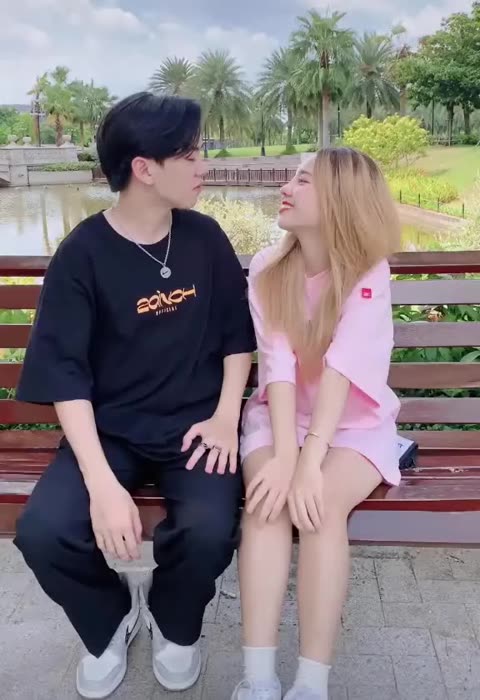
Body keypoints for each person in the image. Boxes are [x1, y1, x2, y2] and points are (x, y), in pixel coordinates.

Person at [14, 92, 256, 699]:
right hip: (110, 432)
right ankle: (112, 619)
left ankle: (174, 622)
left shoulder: (204, 237)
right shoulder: (83, 253)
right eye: (190, 154)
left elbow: (237, 338)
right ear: (145, 168)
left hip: (195, 428)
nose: (203, 166)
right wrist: (101, 485)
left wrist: (225, 418)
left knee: (209, 530)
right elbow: (65, 375)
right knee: (44, 532)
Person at [232, 147, 402, 700]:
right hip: (281, 418)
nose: (287, 187)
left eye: (303, 181)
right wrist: (286, 455)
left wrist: (309, 463)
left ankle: (311, 684)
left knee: (321, 505)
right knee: (267, 502)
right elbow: (277, 365)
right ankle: (258, 679)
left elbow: (342, 369)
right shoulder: (268, 267)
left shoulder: (368, 272)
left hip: (353, 424)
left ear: (339, 200)